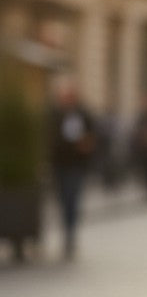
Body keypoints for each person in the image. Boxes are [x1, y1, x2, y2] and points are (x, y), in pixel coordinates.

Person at [49, 78, 97, 260]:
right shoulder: (55, 114)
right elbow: (51, 137)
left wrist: (86, 145)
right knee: (63, 199)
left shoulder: (83, 114)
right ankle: (67, 231)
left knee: (72, 198)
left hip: (76, 165)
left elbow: (92, 137)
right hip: (60, 164)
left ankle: (70, 233)